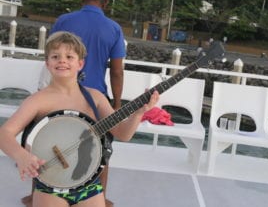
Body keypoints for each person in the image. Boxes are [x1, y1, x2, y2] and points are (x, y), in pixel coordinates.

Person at [0, 31, 159, 207]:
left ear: (80, 64)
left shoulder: (95, 97)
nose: (62, 60)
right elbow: (4, 133)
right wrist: (21, 156)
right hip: (50, 185)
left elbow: (123, 134)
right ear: (47, 63)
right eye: (55, 56)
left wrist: (138, 114)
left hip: (88, 183)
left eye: (69, 56)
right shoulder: (38, 100)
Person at [23, 0, 125, 206]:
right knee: (101, 149)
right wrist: (116, 104)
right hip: (94, 98)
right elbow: (117, 71)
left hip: (56, 95)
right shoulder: (114, 28)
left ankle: (35, 195)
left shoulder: (64, 20)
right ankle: (101, 196)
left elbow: (52, 50)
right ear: (105, 2)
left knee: (44, 143)